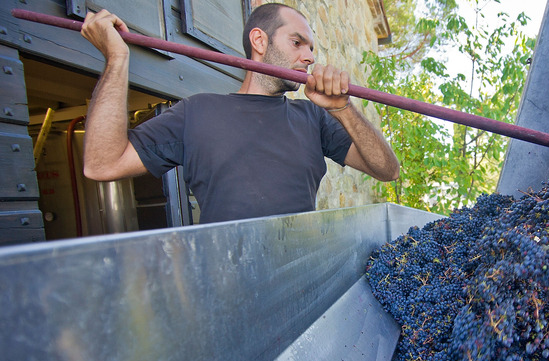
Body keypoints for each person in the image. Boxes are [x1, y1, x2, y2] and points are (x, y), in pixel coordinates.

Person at [79, 3, 399, 223]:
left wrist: (344, 108)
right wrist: (117, 59)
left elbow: (387, 170)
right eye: (298, 43)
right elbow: (101, 164)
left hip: (301, 291)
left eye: (311, 49)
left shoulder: (312, 118)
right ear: (259, 40)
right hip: (229, 295)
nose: (309, 57)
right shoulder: (196, 113)